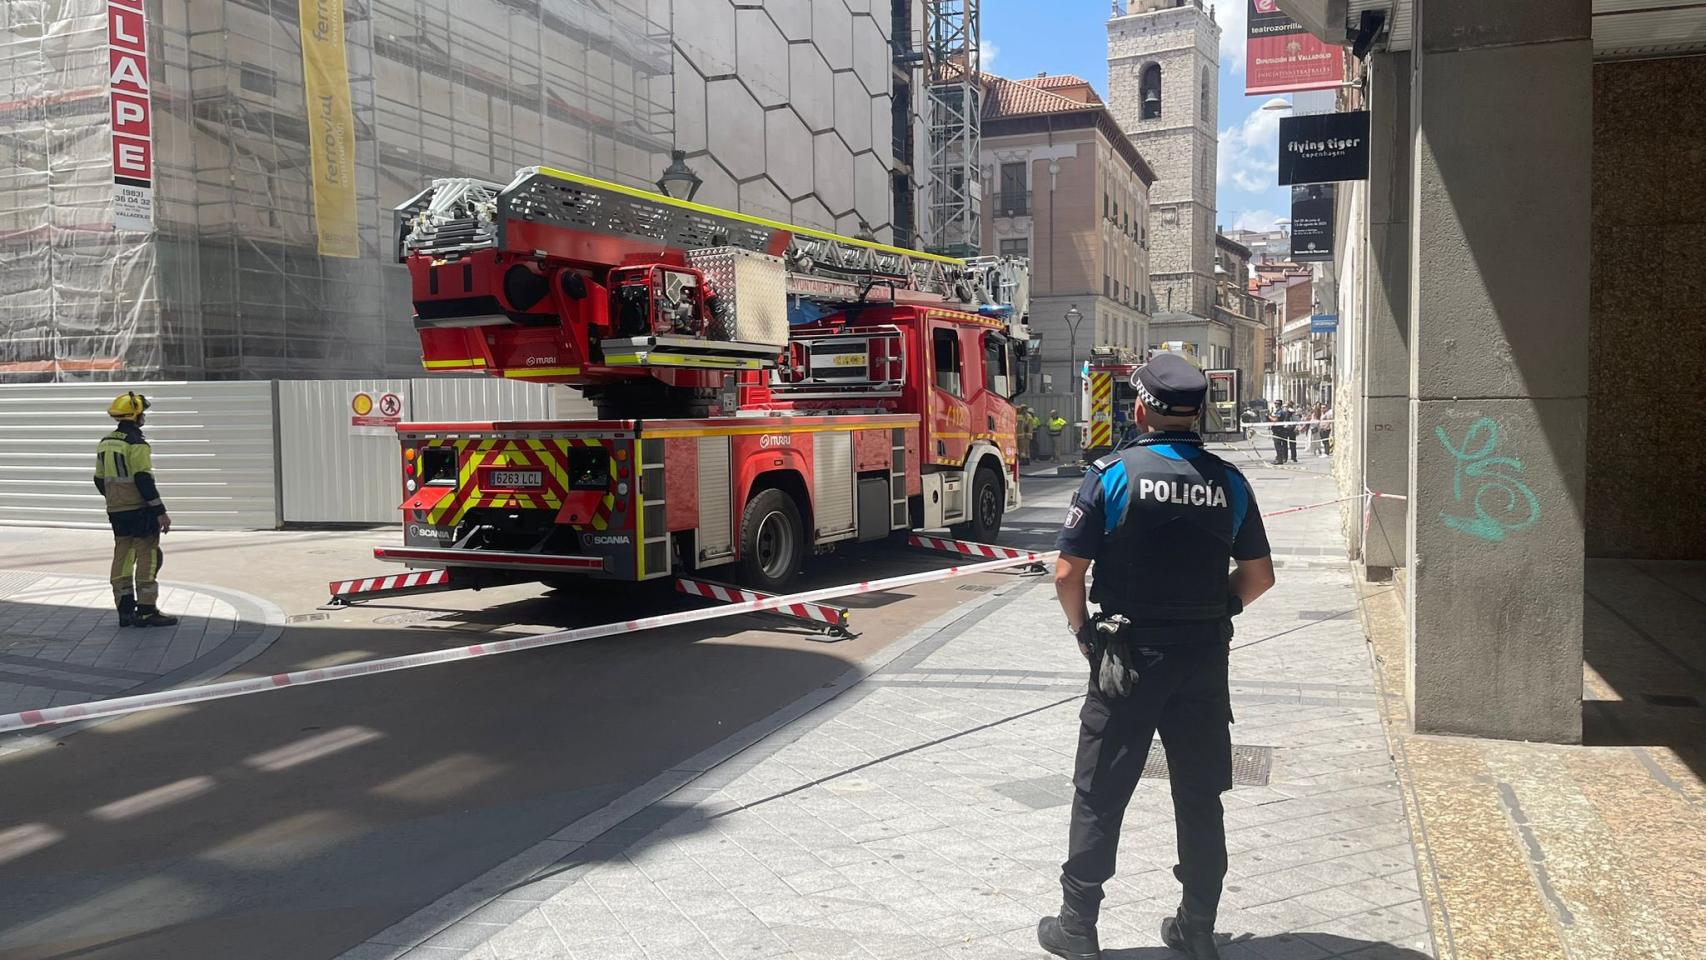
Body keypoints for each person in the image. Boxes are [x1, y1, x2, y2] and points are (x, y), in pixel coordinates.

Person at [1037, 354, 1276, 960]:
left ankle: (1078, 924)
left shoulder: (1113, 474)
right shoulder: (1229, 481)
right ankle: (1196, 926)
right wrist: (1216, 608)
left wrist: (1083, 633)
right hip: (1202, 656)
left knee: (1101, 788)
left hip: (1128, 657)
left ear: (1140, 409)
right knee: (1199, 793)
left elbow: (1068, 572)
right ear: (1198, 412)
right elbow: (1259, 576)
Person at [94, 392, 177, 628]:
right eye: (142, 413)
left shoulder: (106, 442)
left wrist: (116, 498)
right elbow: (143, 478)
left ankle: (125, 610)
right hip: (140, 510)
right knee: (148, 557)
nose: (144, 417)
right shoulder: (137, 444)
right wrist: (160, 511)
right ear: (135, 415)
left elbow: (99, 479)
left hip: (117, 510)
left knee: (122, 555)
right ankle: (147, 611)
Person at [1267, 401, 1289, 466]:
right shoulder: (1278, 411)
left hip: (1278, 431)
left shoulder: (1280, 412)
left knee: (1278, 446)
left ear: (1278, 404)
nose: (1275, 404)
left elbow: (1275, 420)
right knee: (1279, 445)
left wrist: (1268, 416)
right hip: (1278, 430)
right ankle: (1279, 458)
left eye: (1276, 403)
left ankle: (1279, 460)